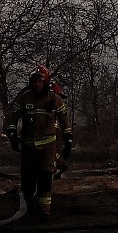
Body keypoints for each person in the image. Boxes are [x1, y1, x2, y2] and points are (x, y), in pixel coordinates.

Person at [4, 66, 73, 220]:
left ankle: (44, 212)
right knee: (27, 180)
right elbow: (11, 118)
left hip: (48, 147)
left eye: (40, 81)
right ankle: (30, 205)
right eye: (34, 81)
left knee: (45, 178)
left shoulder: (54, 99)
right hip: (28, 147)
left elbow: (64, 120)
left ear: (46, 82)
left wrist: (68, 140)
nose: (37, 84)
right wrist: (12, 134)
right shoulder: (24, 98)